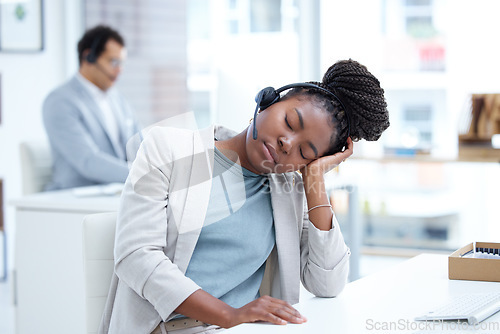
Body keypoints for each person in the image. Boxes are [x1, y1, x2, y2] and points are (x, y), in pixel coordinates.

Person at [99, 59, 390, 334]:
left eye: (304, 152)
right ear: (269, 99)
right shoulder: (168, 149)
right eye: (290, 122)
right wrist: (229, 315)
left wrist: (314, 179)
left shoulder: (290, 188)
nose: (287, 143)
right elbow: (136, 257)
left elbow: (327, 283)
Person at [42, 25, 139, 191]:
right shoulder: (60, 101)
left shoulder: (117, 98)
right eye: (113, 62)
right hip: (75, 197)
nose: (119, 70)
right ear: (89, 57)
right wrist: (142, 174)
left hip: (117, 193)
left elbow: (138, 141)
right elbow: (87, 160)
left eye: (122, 63)